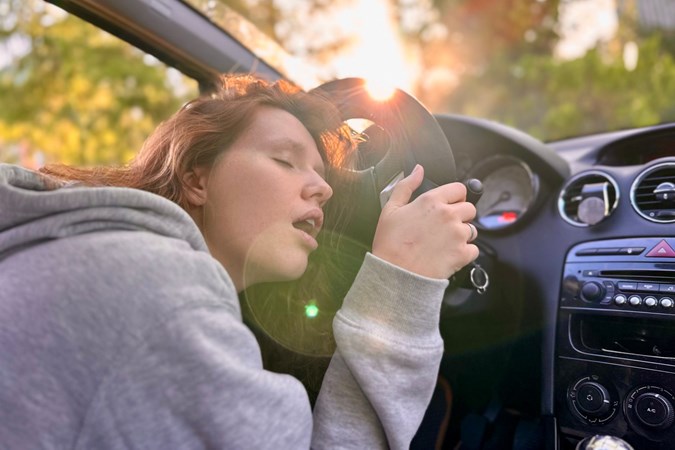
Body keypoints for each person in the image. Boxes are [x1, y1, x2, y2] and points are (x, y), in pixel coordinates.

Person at [0, 74, 478, 449]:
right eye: (286, 161)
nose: (324, 188)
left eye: (322, 174)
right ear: (195, 179)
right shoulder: (159, 289)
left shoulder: (106, 253)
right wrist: (402, 279)